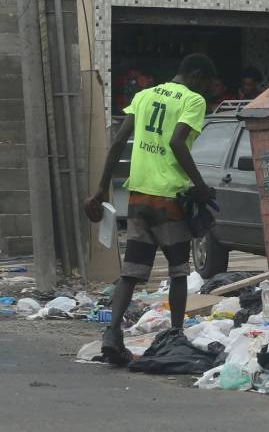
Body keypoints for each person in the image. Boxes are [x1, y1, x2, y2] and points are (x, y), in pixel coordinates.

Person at [85, 54, 217, 365]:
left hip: (139, 198)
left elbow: (118, 141)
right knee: (179, 272)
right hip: (169, 199)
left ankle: (112, 334)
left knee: (130, 272)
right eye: (207, 83)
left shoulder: (143, 96)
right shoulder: (193, 100)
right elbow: (177, 142)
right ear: (196, 75)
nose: (206, 90)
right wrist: (199, 185)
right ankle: (175, 335)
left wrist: (101, 188)